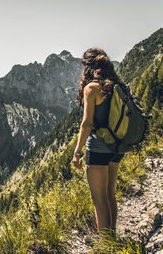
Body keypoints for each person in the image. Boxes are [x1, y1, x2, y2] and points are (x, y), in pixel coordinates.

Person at [71, 47, 124, 234]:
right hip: (117, 146)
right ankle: (112, 239)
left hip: (98, 147)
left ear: (89, 66)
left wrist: (77, 152)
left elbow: (87, 124)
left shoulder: (91, 88)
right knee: (110, 196)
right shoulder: (116, 85)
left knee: (98, 199)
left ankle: (105, 244)